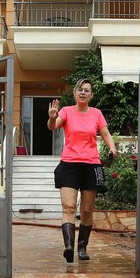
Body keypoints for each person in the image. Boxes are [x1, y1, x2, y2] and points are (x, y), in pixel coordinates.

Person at [47, 79, 117, 263]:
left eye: (87, 90)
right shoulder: (66, 111)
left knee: (86, 211)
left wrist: (112, 148)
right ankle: (69, 246)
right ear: (75, 94)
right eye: (80, 89)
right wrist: (52, 116)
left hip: (91, 165)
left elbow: (106, 133)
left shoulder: (96, 113)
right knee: (69, 207)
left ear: (91, 95)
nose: (83, 92)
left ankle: (82, 247)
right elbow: (52, 126)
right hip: (69, 164)